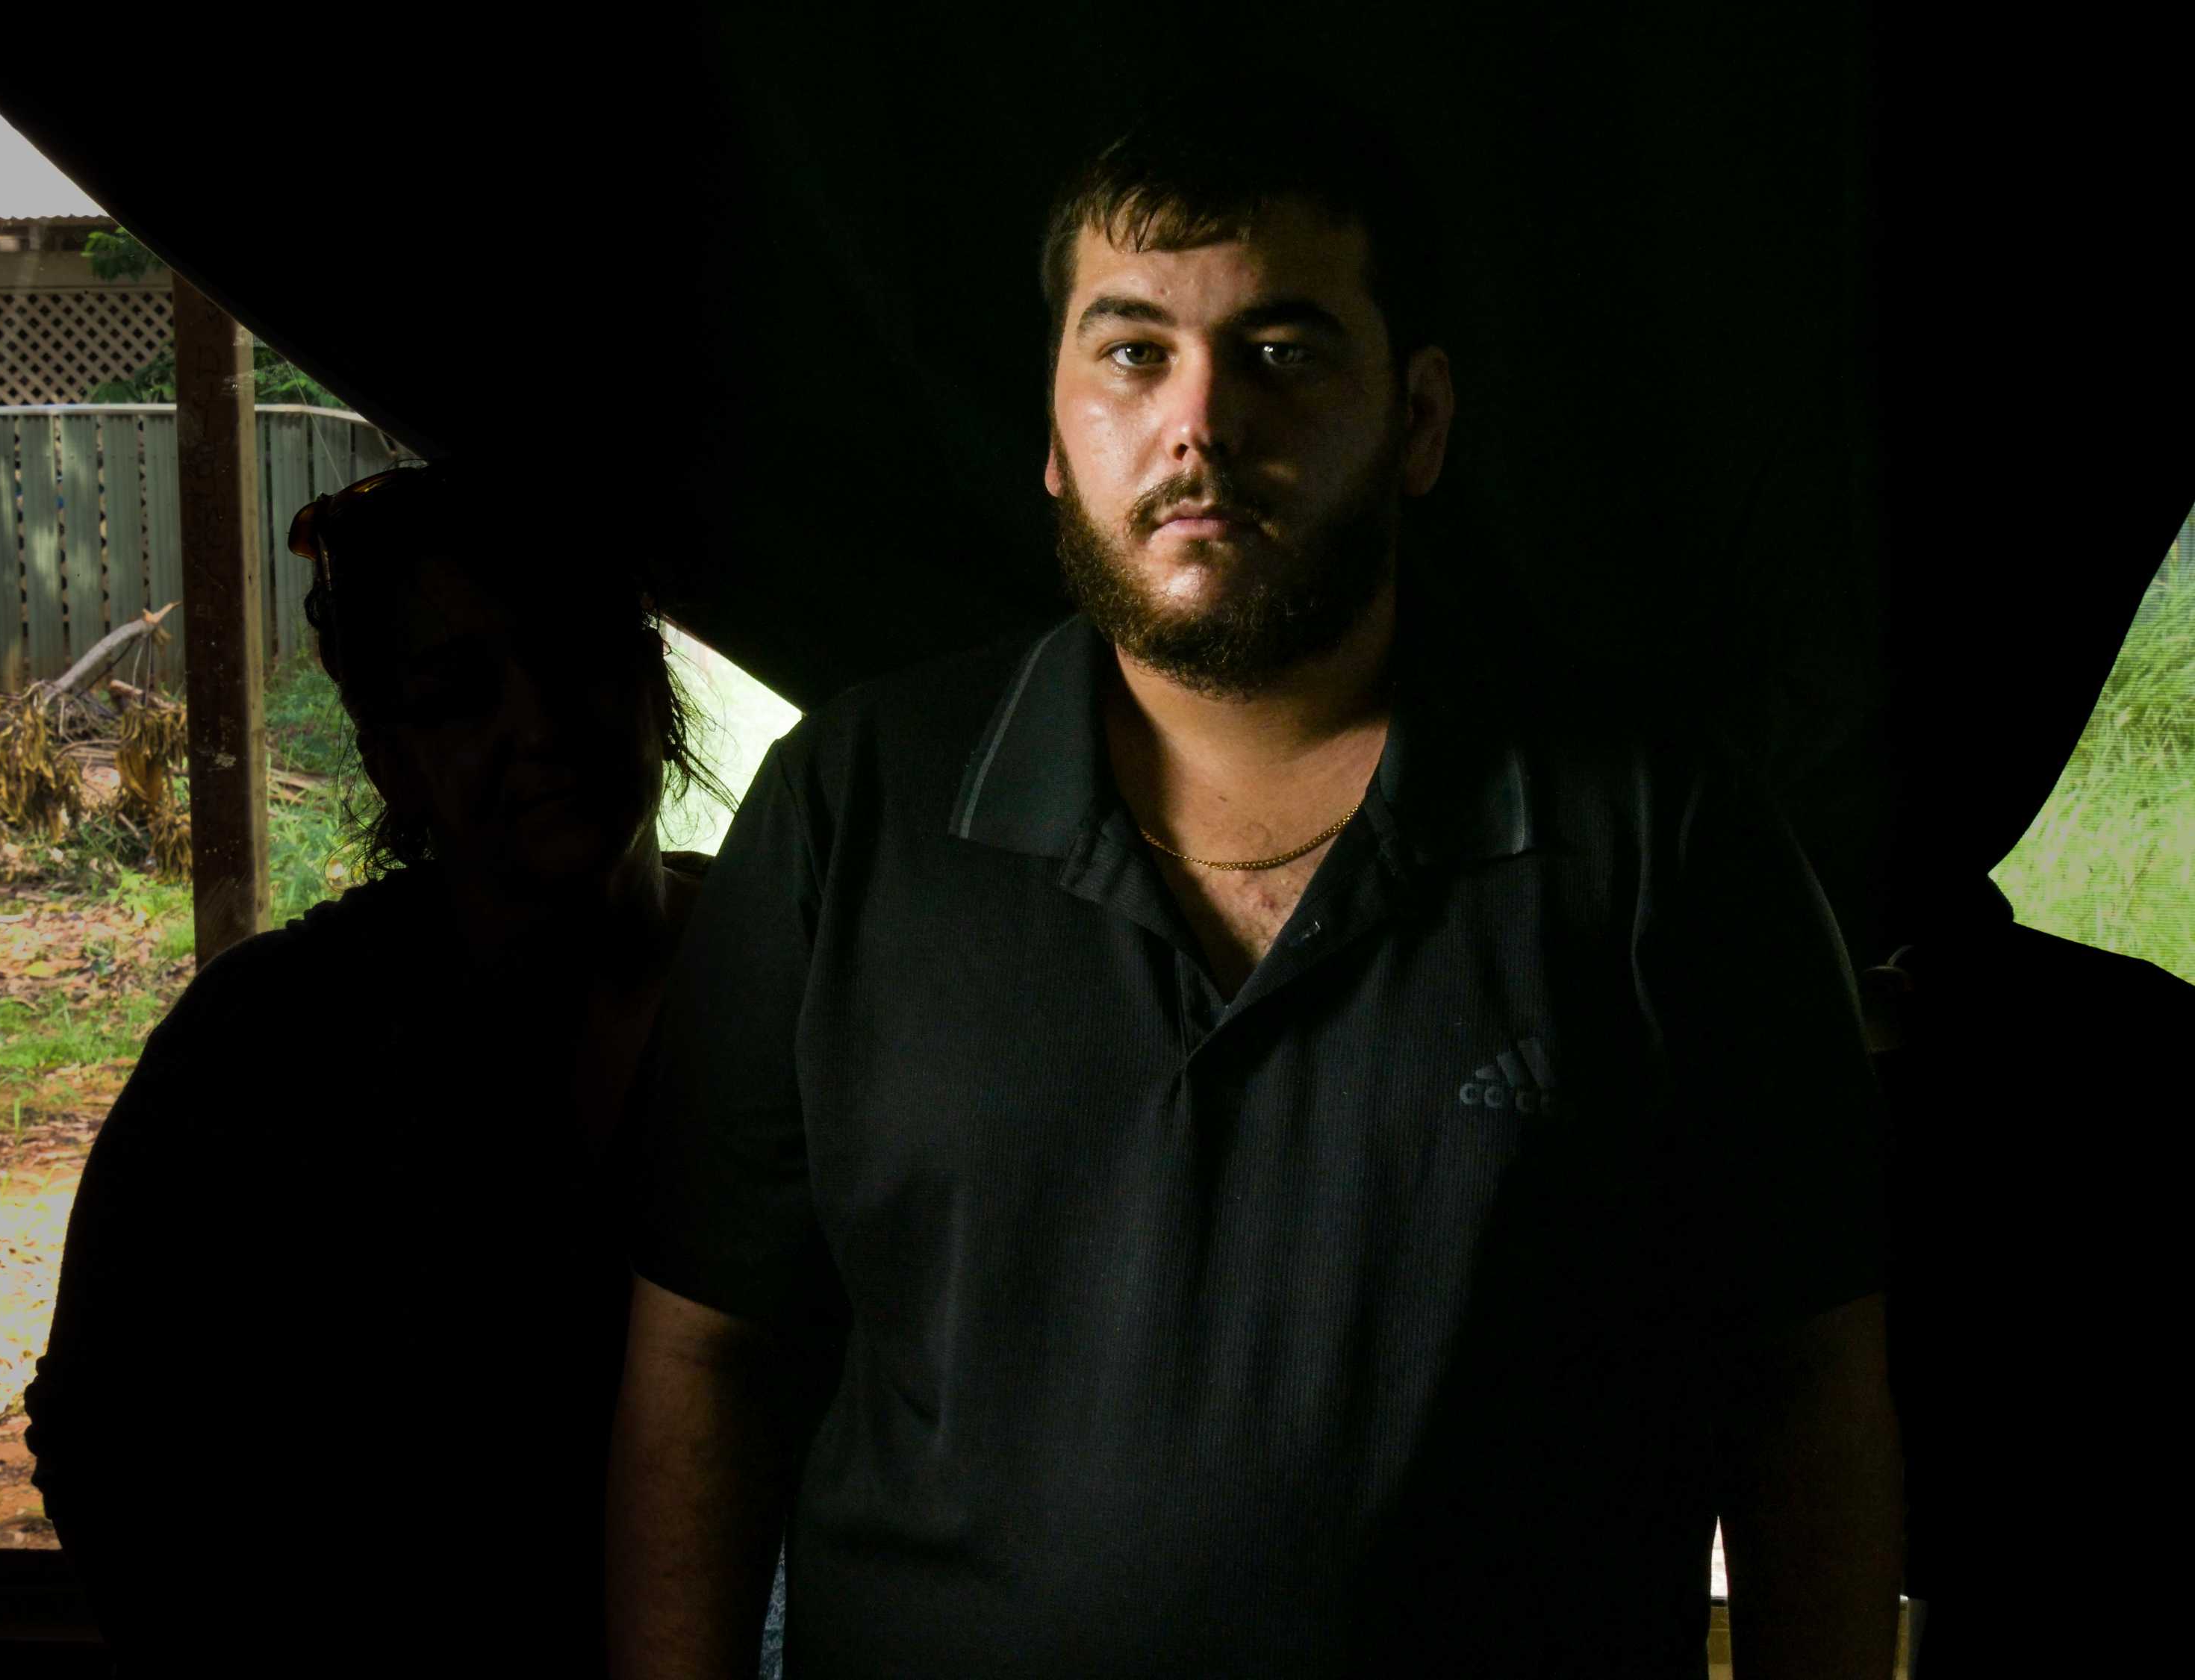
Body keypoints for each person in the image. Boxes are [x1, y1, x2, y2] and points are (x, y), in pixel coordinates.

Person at [610, 98, 1903, 1679]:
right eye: (1132, 352)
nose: (1201, 425)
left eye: (1283, 352)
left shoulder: (1661, 840)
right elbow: (705, 1351)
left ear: (1418, 420)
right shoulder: (851, 808)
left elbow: (1809, 1383)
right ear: (1053, 428)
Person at [25, 463, 725, 1677]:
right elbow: (103, 1433)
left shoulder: (788, 982)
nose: (538, 722)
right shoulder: (263, 1049)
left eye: (572, 655)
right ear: (390, 757)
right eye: (460, 695)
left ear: (651, 680)